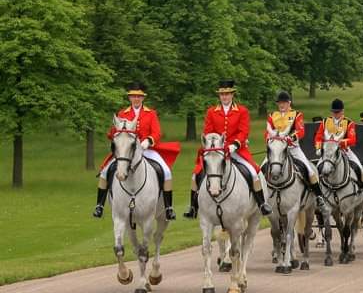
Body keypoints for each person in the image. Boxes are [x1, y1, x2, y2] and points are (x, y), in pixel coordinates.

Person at [184, 80, 272, 218]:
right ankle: (193, 207)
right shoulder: (211, 112)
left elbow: (243, 131)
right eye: (222, 94)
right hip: (216, 151)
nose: (224, 97)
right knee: (196, 174)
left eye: (227, 94)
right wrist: (212, 145)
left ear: (232, 95)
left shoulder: (242, 111)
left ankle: (261, 204)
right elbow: (208, 131)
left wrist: (235, 145)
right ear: (219, 96)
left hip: (237, 150)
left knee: (253, 172)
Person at [93, 82, 181, 221]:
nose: (136, 99)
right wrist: (115, 134)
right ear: (129, 97)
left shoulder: (151, 113)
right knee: (105, 171)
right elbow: (114, 132)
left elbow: (157, 133)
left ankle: (168, 208)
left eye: (139, 96)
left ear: (143, 98)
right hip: (126, 152)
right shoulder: (122, 113)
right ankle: (100, 205)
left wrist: (149, 140)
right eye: (133, 96)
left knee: (166, 171)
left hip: (147, 149)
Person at [265, 91, 322, 198]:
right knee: (261, 169)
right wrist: (269, 140)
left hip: (293, 148)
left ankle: (319, 197)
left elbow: (301, 131)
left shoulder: (297, 114)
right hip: (276, 150)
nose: (281, 105)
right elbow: (267, 133)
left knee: (309, 170)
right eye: (279, 103)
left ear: (289, 103)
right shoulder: (272, 115)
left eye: (284, 103)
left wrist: (291, 137)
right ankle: (262, 199)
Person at [314, 98, 363, 198]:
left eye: (338, 112)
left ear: (342, 111)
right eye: (334, 112)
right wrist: (318, 148)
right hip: (328, 152)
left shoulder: (349, 122)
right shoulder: (325, 121)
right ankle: (318, 195)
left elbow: (352, 139)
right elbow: (318, 137)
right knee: (317, 169)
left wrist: (340, 143)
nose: (336, 114)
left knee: (360, 169)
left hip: (344, 150)